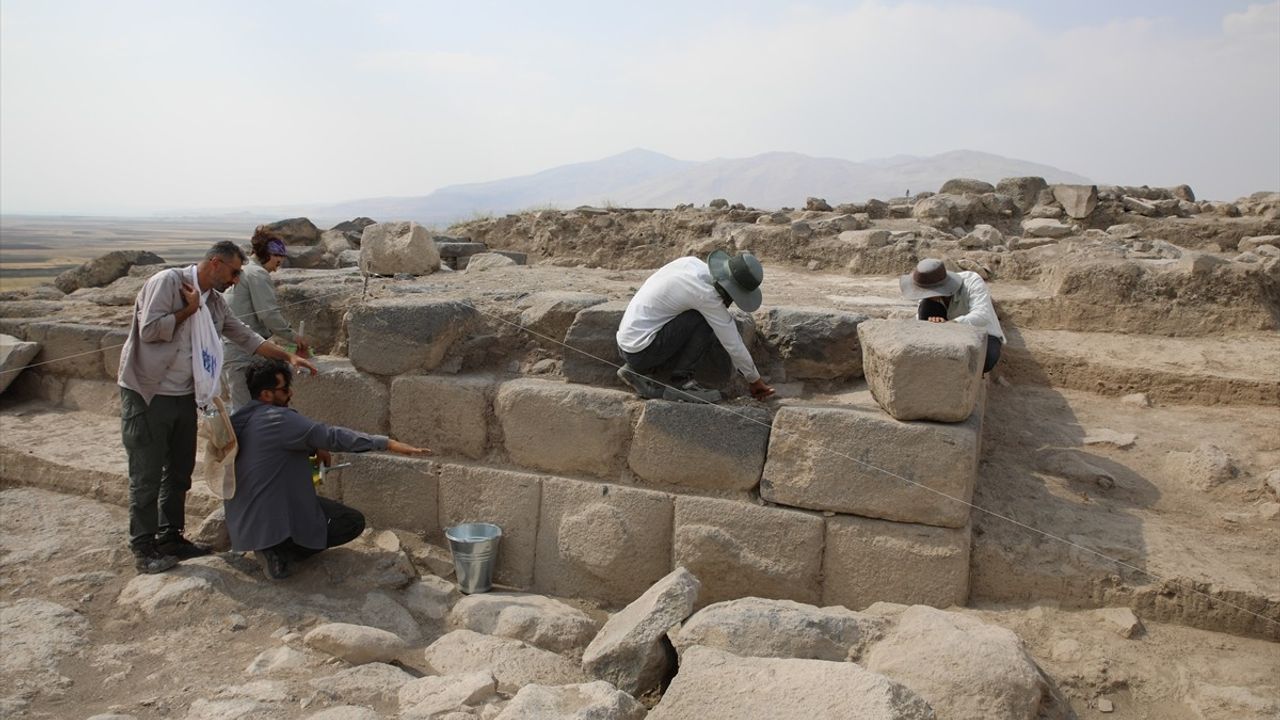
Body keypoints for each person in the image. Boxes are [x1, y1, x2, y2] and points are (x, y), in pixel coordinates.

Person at [118, 241, 318, 575]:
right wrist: (188, 311)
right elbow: (150, 331)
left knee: (179, 471)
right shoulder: (168, 283)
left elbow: (244, 335)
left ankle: (171, 537)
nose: (237, 279)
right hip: (148, 394)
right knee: (147, 474)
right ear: (215, 264)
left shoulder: (212, 301)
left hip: (186, 394)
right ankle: (143, 547)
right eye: (234, 272)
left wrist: (288, 356)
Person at [226, 358, 429, 580]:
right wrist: (388, 443)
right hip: (272, 514)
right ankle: (279, 551)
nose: (290, 394)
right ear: (266, 395)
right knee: (350, 522)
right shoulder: (279, 419)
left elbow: (292, 441)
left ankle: (271, 545)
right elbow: (332, 436)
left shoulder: (241, 417)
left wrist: (314, 445)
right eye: (284, 390)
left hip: (244, 523)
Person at [615, 250, 774, 403]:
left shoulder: (691, 263)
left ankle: (633, 369)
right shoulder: (706, 296)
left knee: (694, 312)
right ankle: (681, 382)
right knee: (702, 318)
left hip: (627, 344)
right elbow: (733, 343)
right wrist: (754, 379)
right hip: (642, 352)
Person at [223, 226, 309, 408]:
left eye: (281, 256)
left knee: (246, 405)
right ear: (264, 252)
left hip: (238, 347)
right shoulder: (257, 274)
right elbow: (268, 314)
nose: (279, 261)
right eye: (276, 255)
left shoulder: (245, 271)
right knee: (243, 411)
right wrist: (295, 337)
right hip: (241, 351)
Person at [899, 258, 1005, 373]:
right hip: (948, 329)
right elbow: (921, 318)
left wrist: (951, 324)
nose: (923, 294)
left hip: (980, 331)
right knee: (926, 306)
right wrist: (934, 323)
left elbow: (982, 315)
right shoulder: (927, 290)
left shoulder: (972, 281)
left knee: (987, 358)